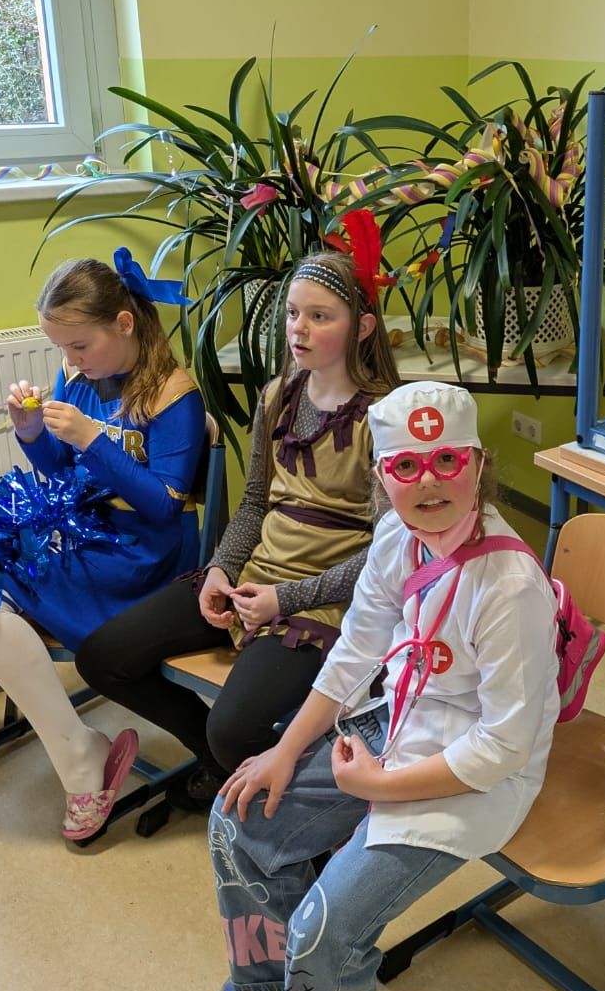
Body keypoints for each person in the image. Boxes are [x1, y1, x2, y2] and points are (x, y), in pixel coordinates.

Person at [207, 380, 560, 991]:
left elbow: (503, 746)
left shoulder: (510, 583)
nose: (428, 482)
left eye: (448, 462)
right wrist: (283, 752)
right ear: (382, 476)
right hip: (397, 723)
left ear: (478, 465)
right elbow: (357, 652)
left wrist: (379, 787)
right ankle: (276, 979)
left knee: (325, 928)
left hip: (475, 774)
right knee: (238, 811)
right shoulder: (398, 536)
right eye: (407, 466)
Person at [75, 248, 400, 805]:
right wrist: (220, 571)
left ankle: (281, 788)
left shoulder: (384, 417)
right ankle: (219, 767)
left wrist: (284, 599)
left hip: (322, 603)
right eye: (293, 313)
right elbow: (253, 503)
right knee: (102, 658)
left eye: (320, 316)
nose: (299, 328)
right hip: (254, 578)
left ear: (362, 328)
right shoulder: (276, 396)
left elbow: (388, 554)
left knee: (233, 730)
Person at [0, 250, 206, 843]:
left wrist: (94, 440)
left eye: (79, 345)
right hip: (80, 530)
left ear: (125, 323)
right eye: (62, 348)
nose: (70, 360)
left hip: (141, 556)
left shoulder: (176, 395)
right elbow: (60, 472)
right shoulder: (80, 376)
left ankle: (79, 756)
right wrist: (31, 431)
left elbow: (163, 505)